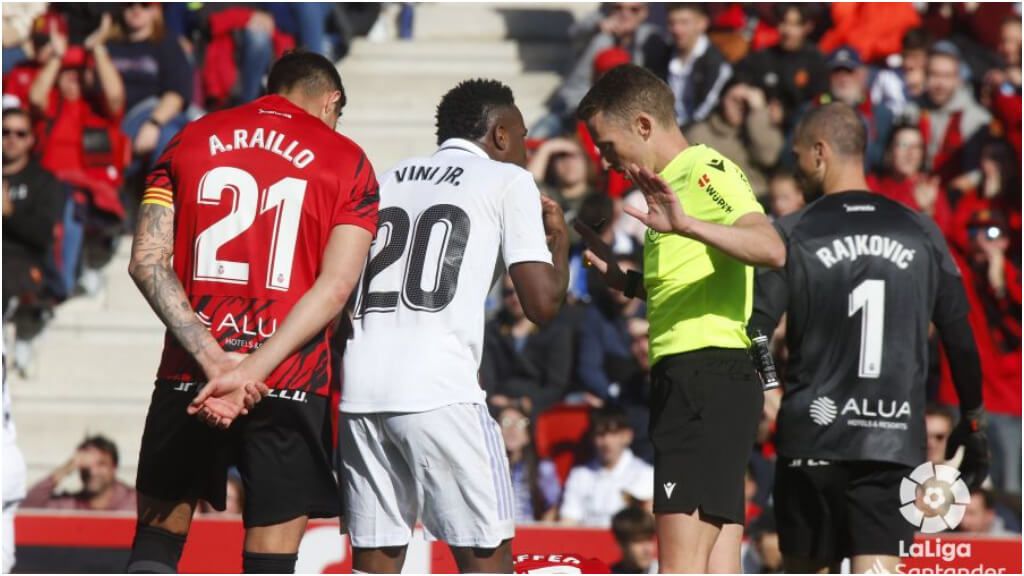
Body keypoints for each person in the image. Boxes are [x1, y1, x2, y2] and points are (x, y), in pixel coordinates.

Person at [126, 50, 379, 574]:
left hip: (190, 376)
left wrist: (217, 364)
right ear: (332, 101)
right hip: (288, 379)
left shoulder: (191, 137)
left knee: (154, 547)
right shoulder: (347, 159)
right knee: (270, 565)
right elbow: (335, 289)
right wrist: (248, 372)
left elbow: (147, 261)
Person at [338, 78, 570, 574]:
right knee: (486, 556)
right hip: (440, 389)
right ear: (501, 135)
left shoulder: (387, 177)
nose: (528, 150)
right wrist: (560, 244)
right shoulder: (508, 181)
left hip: (361, 386)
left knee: (376, 557)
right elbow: (542, 305)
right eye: (525, 136)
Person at [750, 102, 989, 573]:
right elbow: (960, 337)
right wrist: (973, 417)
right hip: (892, 440)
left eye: (798, 157)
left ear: (820, 153)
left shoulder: (795, 231)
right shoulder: (922, 231)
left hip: (811, 437)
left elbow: (755, 330)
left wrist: (772, 391)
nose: (797, 171)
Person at [574, 63, 784, 573]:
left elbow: (770, 246)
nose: (606, 162)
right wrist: (623, 280)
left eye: (607, 145)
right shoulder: (667, 187)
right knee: (718, 563)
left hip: (702, 376)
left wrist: (687, 224)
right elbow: (687, 281)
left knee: (680, 566)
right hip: (706, 379)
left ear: (643, 125)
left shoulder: (702, 172)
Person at [107, 2, 194, 173]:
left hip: (154, 116)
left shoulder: (167, 43)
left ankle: (160, 197)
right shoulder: (109, 45)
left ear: (156, 9)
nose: (136, 9)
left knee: (171, 137)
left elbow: (177, 93)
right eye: (129, 4)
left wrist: (153, 124)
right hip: (119, 121)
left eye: (145, 4)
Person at [481, 275, 574, 416]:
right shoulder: (491, 331)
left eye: (520, 290)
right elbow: (488, 381)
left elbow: (557, 385)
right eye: (508, 292)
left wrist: (522, 404)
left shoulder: (556, 331)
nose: (515, 297)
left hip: (541, 408)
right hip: (498, 408)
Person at [2, 107, 63, 315]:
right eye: (5, 132)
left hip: (24, 265)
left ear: (30, 140)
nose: (12, 139)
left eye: (20, 134)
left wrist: (10, 212)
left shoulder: (43, 181)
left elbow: (44, 235)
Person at [683, 79, 784, 198]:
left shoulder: (760, 129)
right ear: (721, 99)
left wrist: (757, 112)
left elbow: (769, 157)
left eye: (746, 103)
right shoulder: (699, 134)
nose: (740, 107)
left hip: (757, 199)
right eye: (735, 100)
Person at [739, 4, 829, 132]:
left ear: (807, 27)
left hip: (801, 129)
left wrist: (786, 114)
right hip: (763, 121)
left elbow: (822, 101)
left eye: (794, 25)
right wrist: (747, 92)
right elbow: (739, 76)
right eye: (783, 23)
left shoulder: (816, 61)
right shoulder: (763, 57)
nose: (787, 31)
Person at [559, 407, 653, 527]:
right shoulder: (579, 475)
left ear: (627, 436)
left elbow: (647, 526)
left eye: (613, 433)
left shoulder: (646, 474)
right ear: (592, 438)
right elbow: (568, 522)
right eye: (600, 434)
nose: (606, 441)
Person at [648, 3, 732, 128]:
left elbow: (706, 109)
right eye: (672, 23)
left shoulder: (717, 63)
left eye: (684, 22)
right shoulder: (663, 57)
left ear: (702, 23)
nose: (677, 29)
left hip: (704, 130)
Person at [22, 435, 136, 511]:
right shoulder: (70, 505)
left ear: (114, 467)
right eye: (86, 465)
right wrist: (66, 468)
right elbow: (26, 508)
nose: (93, 472)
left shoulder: (135, 503)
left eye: (101, 464)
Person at [498, 404, 562, 524]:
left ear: (528, 435)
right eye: (506, 423)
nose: (512, 429)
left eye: (520, 424)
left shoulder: (542, 468)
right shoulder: (485, 470)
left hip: (531, 535)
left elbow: (552, 508)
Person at [610, 506, 657, 574]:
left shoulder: (666, 572)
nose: (647, 549)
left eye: (649, 540)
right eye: (638, 541)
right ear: (621, 544)